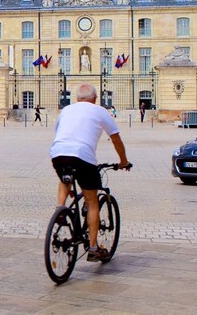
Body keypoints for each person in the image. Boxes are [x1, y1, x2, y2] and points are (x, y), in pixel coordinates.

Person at [50, 84, 131, 262]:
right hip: (83, 157)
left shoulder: (66, 110)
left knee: (65, 179)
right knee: (92, 201)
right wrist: (123, 161)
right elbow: (115, 138)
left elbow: (59, 133)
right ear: (95, 98)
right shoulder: (100, 111)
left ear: (76, 98)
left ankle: (61, 209)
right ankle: (93, 249)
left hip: (58, 154)